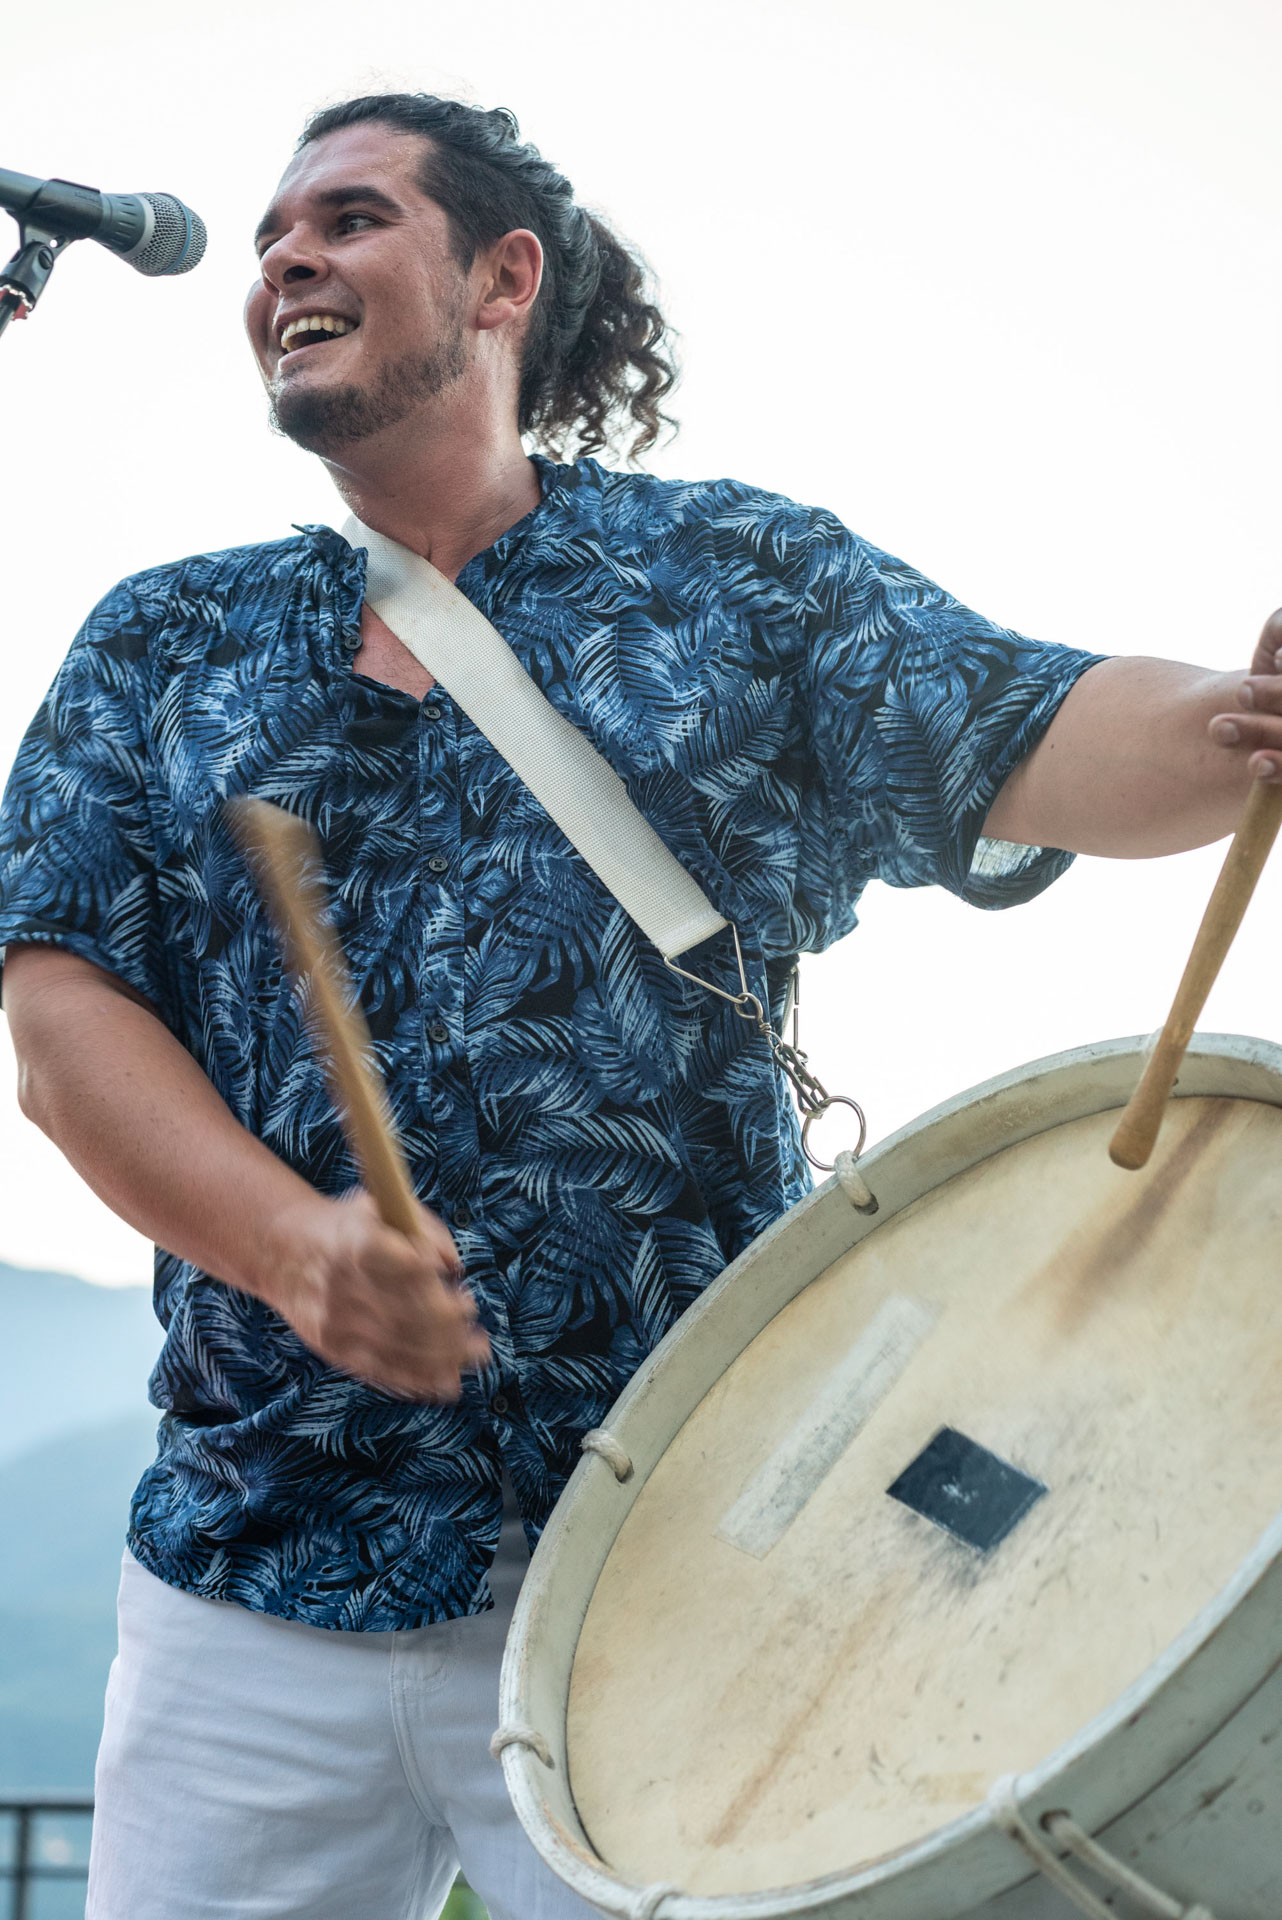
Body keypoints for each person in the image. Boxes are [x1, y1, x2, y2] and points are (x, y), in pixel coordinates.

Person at [1, 92, 1279, 1920]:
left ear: (501, 278)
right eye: (275, 231)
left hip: (691, 1553)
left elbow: (1038, 727)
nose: (285, 255)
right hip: (254, 1568)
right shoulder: (159, 643)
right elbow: (59, 1025)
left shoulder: (733, 587)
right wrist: (294, 1249)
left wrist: (1236, 723)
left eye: (349, 218)